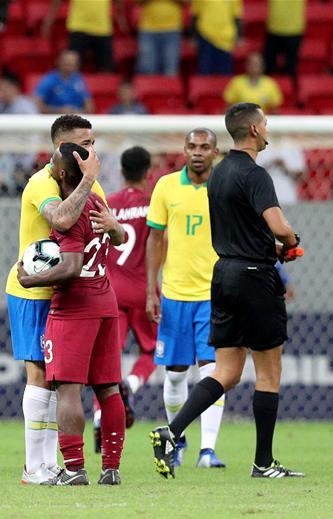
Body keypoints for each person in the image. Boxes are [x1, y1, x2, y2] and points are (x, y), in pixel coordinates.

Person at [149, 103, 304, 479]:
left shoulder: (217, 176)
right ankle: (263, 463)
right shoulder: (256, 174)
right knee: (268, 373)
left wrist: (271, 247)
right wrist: (290, 240)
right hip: (254, 278)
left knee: (227, 371)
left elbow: (240, 229)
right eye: (265, 123)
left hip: (222, 277)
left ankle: (171, 431)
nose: (268, 129)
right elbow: (277, 224)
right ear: (253, 130)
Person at [16, 144, 127, 485]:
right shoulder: (96, 203)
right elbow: (119, 237)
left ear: (62, 173)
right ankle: (111, 469)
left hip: (74, 308)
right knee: (109, 389)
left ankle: (75, 469)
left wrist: (29, 279)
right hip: (105, 301)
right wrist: (115, 226)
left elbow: (70, 268)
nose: (48, 165)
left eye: (52, 161)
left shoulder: (69, 212)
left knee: (68, 390)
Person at [4, 114, 103, 485]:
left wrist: (115, 228)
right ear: (63, 147)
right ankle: (34, 466)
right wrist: (90, 180)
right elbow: (61, 219)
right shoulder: (40, 183)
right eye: (85, 143)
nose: (92, 150)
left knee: (59, 378)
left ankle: (49, 464)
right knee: (39, 374)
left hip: (71, 295)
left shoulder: (91, 184)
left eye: (93, 142)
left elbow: (113, 232)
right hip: (33, 289)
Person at [146, 128, 227, 469]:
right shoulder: (166, 186)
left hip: (214, 294)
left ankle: (208, 450)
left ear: (215, 151)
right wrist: (152, 285)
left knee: (213, 371)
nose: (197, 152)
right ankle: (177, 442)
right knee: (176, 374)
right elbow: (155, 238)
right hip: (175, 294)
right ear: (184, 149)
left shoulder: (225, 186)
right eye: (192, 146)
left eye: (204, 147)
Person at [95, 146, 157, 447]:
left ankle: (98, 416)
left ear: (120, 171)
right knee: (154, 351)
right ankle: (130, 384)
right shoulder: (154, 204)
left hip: (110, 290)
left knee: (107, 359)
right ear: (149, 173)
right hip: (144, 289)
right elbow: (159, 245)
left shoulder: (107, 203)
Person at [42, 0, 127, 73]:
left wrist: (121, 18)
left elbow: (118, 2)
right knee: (72, 66)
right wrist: (48, 22)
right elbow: (57, 1)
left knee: (107, 68)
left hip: (103, 29)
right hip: (79, 27)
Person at [136, 0, 186, 76]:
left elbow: (186, 1)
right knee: (148, 69)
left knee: (170, 70)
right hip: (148, 30)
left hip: (172, 30)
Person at [192, 0, 242, 75]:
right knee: (205, 73)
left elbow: (236, 16)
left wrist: (239, 36)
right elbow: (195, 15)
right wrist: (193, 36)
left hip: (225, 39)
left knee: (224, 75)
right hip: (205, 36)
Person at [264, 0, 305, 77]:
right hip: (273, 28)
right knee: (268, 67)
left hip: (294, 30)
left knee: (290, 68)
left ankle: (290, 88)